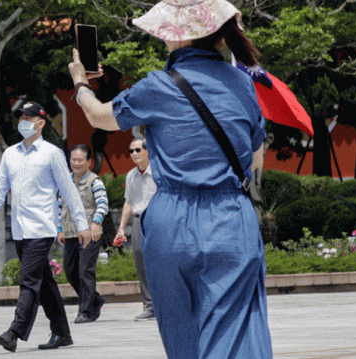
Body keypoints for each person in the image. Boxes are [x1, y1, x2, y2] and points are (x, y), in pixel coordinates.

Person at [67, 0, 272, 357]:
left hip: (170, 221)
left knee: (182, 338)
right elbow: (255, 159)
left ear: (173, 37)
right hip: (229, 218)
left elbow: (100, 116)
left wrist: (81, 83)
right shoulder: (242, 83)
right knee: (233, 334)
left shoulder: (156, 86)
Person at [0, 101, 92, 353]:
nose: (23, 123)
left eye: (29, 119)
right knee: (45, 282)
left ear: (40, 123)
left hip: (42, 228)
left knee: (28, 280)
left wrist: (82, 225)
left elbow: (69, 190)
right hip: (19, 228)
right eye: (21, 118)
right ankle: (62, 332)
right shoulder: (10, 154)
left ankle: (14, 333)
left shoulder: (52, 153)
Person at [56, 144, 108, 324]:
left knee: (85, 271)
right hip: (70, 233)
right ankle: (95, 299)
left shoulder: (95, 181)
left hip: (89, 233)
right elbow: (59, 206)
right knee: (70, 272)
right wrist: (59, 229)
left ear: (88, 162)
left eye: (80, 160)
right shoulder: (65, 180)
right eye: (73, 159)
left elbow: (102, 204)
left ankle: (85, 311)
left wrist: (96, 223)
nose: (76, 163)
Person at [113, 138, 156, 321]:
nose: (134, 154)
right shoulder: (131, 175)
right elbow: (128, 203)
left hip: (158, 220)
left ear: (147, 151)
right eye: (131, 151)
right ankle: (149, 307)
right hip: (139, 221)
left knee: (162, 261)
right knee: (140, 260)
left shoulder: (159, 171)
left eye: (138, 149)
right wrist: (122, 228)